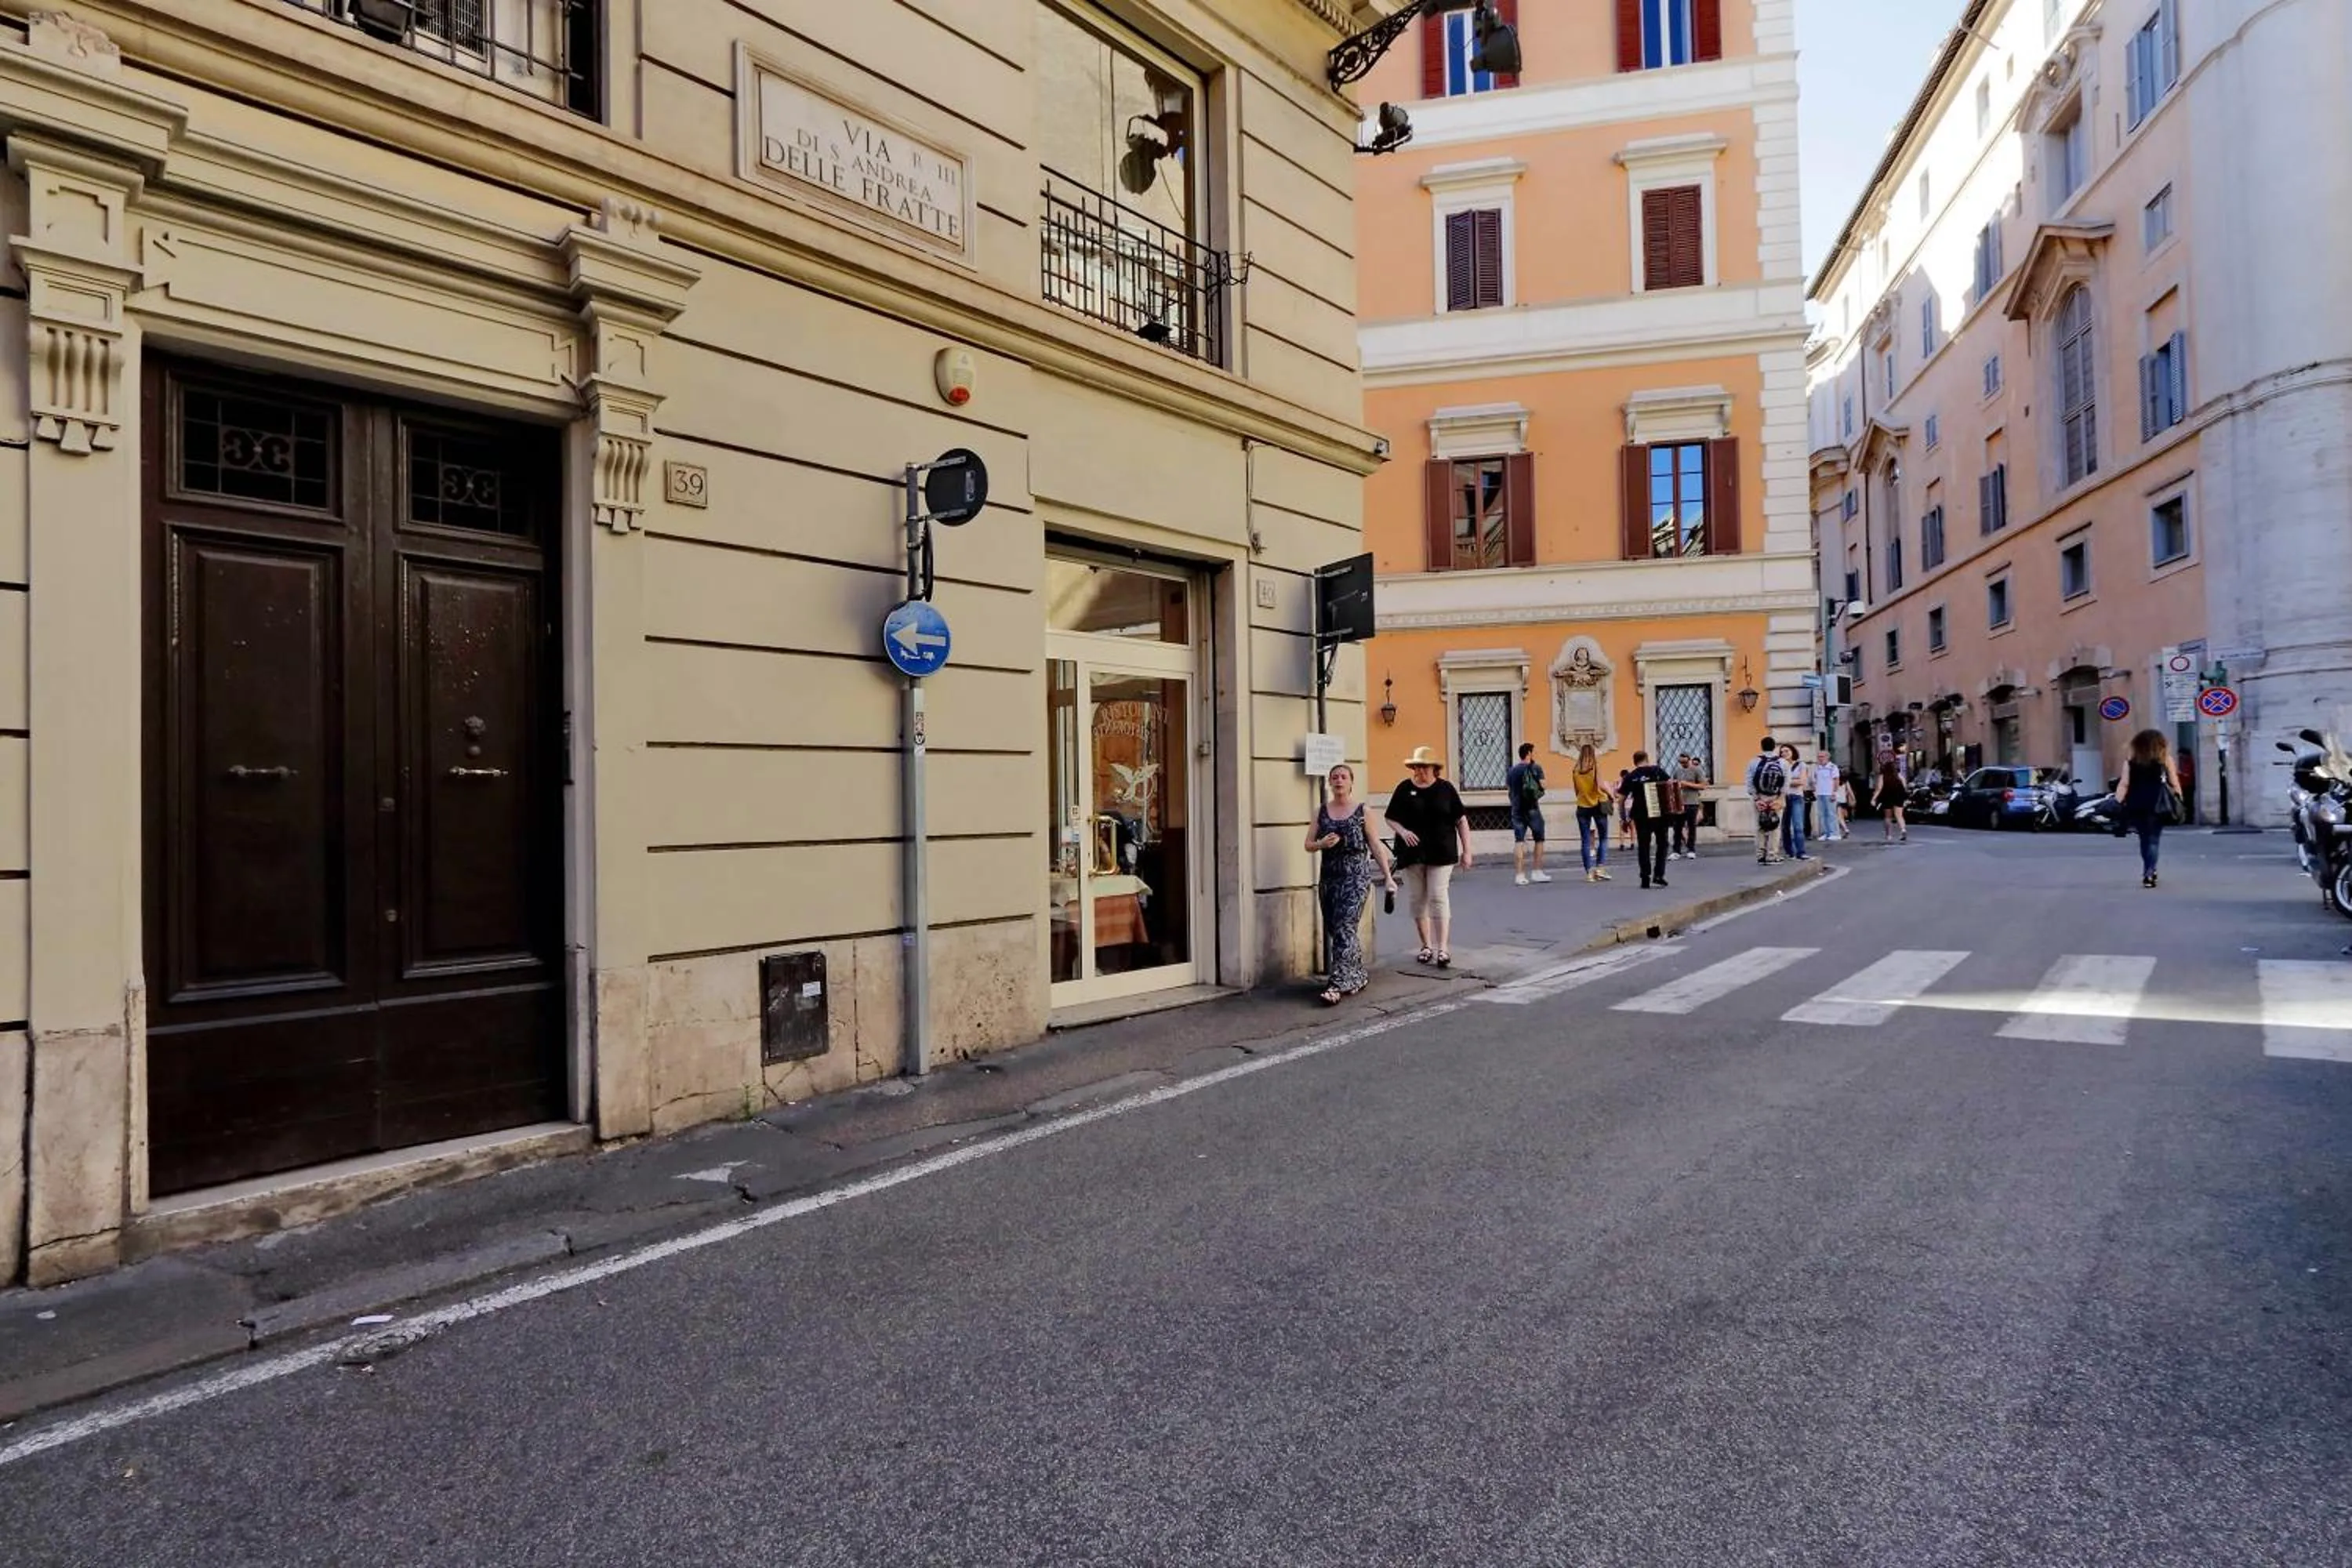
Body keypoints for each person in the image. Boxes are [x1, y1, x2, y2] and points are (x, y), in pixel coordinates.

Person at [1305, 763, 1397, 1005]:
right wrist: (1322, 844)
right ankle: (1357, 975)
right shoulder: (1321, 811)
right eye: (1334, 777)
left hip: (1356, 877)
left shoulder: (1363, 811)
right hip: (1329, 877)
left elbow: (1376, 846)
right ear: (1329, 782)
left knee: (1346, 925)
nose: (1338, 781)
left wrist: (1388, 877)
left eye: (1343, 777)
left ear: (1351, 782)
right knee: (1337, 929)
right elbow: (1308, 844)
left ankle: (1337, 984)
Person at [1384, 746, 1472, 967]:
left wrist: (1467, 851)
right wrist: (1403, 831)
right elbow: (1390, 818)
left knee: (1437, 896)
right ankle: (1426, 945)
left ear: (1435, 769)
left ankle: (1443, 948)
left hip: (1441, 851)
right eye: (1416, 767)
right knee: (1417, 899)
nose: (1420, 771)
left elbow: (1461, 821)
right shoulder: (1404, 789)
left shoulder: (1446, 789)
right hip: (1411, 853)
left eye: (1424, 767)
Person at [2118, 728, 2182, 888]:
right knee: (2154, 839)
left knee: (2144, 839)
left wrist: (2117, 802)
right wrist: (2179, 799)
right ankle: (2150, 871)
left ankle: (2148, 869)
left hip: (2137, 802)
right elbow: (2174, 782)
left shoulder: (2131, 762)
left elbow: (2124, 783)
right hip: (2158, 803)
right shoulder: (2165, 760)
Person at [1623, 750, 1679, 889]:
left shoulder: (1631, 776)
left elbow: (1621, 798)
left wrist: (1624, 817)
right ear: (1647, 759)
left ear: (1634, 761)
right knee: (1663, 844)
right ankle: (1659, 875)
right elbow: (1671, 786)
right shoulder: (1657, 770)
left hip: (1641, 815)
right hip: (1660, 814)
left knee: (1643, 846)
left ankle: (1645, 877)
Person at [1504, 742, 1552, 886]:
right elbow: (1544, 785)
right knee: (1539, 839)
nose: (1535, 755)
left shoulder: (1512, 770)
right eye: (1534, 752)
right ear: (1529, 753)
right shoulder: (1535, 767)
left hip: (1517, 808)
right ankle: (1537, 871)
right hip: (1532, 808)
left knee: (1519, 841)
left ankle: (1519, 875)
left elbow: (1509, 787)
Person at [1570, 743, 1614, 883]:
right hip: (1597, 804)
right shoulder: (1594, 767)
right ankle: (1600, 868)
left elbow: (1576, 791)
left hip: (1582, 806)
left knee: (1585, 840)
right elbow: (1601, 785)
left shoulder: (1575, 770)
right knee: (1603, 837)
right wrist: (1611, 794)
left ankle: (1589, 872)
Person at [1744, 737, 1788, 864]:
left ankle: (1760, 855)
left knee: (1759, 827)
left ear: (1761, 746)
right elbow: (1786, 782)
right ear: (1774, 747)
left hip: (1760, 797)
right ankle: (1772, 855)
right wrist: (1780, 798)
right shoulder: (1783, 763)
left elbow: (1749, 781)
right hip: (1776, 797)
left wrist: (1757, 799)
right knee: (1775, 827)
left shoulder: (1754, 762)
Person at [1780, 743, 1813, 862]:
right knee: (1785, 827)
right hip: (1783, 797)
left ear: (1793, 751)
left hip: (1797, 797)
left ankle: (1801, 852)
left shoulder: (1801, 765)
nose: (1784, 753)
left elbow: (1802, 781)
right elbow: (1779, 782)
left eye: (1787, 751)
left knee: (1798, 826)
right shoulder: (1780, 765)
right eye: (1782, 752)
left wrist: (1786, 781)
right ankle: (1789, 852)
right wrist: (1793, 781)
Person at [1674, 753, 1707, 858]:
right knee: (1677, 827)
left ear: (1689, 760)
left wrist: (1687, 784)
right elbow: (1674, 783)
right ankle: (1676, 851)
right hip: (1679, 803)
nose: (1683, 764)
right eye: (1681, 762)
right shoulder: (1677, 771)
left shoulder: (1697, 770)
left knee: (1691, 827)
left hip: (1692, 802)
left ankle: (1691, 850)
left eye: (1685, 762)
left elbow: (1703, 786)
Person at [1873, 759, 1908, 843]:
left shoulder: (1883, 776)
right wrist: (1905, 798)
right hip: (1899, 796)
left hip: (1887, 796)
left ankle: (1888, 835)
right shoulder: (1899, 776)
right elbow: (1904, 788)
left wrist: (1874, 798)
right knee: (1899, 815)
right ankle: (1903, 830)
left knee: (1888, 817)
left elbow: (1879, 788)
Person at [1813, 750, 1842, 842]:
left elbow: (1836, 780)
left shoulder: (1832, 767)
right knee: (1822, 814)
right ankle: (1826, 833)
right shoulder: (1817, 768)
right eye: (1819, 757)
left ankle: (1835, 833)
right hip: (1820, 793)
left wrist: (1834, 792)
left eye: (1822, 757)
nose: (1820, 759)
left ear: (1827, 757)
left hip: (1829, 793)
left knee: (1831, 814)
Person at [1615, 770, 1637, 851]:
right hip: (1630, 806)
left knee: (1624, 826)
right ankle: (1631, 843)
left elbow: (1616, 795)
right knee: (1631, 826)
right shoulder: (1631, 783)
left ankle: (1623, 844)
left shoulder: (1619, 784)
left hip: (1625, 807)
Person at [1836, 771, 1857, 837]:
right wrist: (1854, 799)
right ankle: (1842, 831)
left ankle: (1845, 830)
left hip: (1837, 801)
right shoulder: (1846, 781)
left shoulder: (1835, 781)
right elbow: (1850, 791)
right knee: (1841, 817)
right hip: (1843, 801)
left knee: (1839, 818)